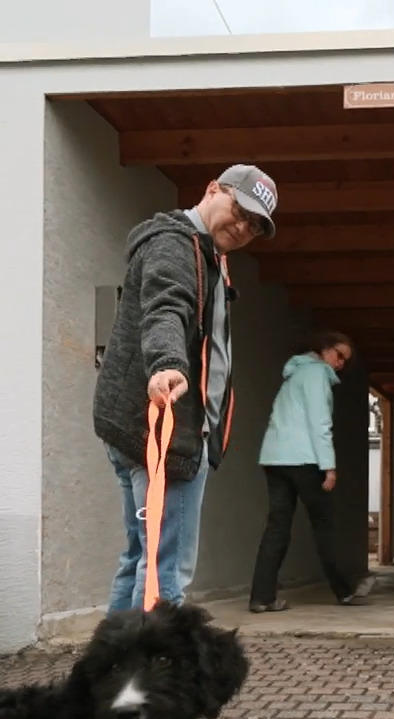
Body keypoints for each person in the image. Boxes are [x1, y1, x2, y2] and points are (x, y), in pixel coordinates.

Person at [92, 163, 277, 610]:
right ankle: (149, 676)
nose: (243, 226)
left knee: (143, 556)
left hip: (139, 429)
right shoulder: (176, 248)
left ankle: (110, 673)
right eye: (240, 210)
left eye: (255, 225)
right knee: (165, 570)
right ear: (213, 189)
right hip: (164, 434)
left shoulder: (205, 254)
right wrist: (168, 364)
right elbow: (165, 307)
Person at [248, 331, 373, 613]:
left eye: (345, 360)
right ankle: (344, 591)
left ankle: (261, 597)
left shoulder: (293, 376)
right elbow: (319, 423)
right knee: (324, 525)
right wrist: (329, 467)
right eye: (338, 355)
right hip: (305, 460)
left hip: (275, 459)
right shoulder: (317, 375)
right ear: (324, 349)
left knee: (277, 528)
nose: (340, 363)